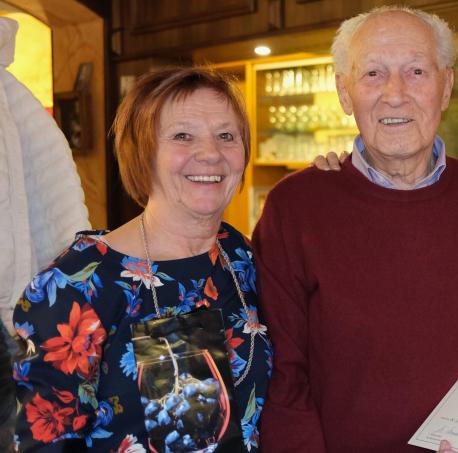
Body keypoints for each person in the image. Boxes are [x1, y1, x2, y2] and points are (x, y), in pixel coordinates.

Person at [253, 6, 458, 452]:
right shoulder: (295, 207)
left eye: (417, 71)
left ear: (446, 88)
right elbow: (283, 374)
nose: (395, 94)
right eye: (373, 74)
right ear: (345, 94)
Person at [12, 67, 273, 452]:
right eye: (183, 135)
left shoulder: (239, 256)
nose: (211, 154)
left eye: (226, 136)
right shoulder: (76, 287)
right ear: (143, 152)